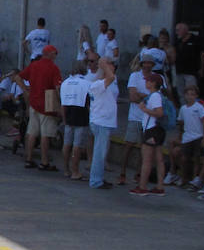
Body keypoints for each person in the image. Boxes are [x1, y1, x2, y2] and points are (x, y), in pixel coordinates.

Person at [119, 50, 162, 186]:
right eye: (145, 63)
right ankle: (122, 173)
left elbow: (159, 98)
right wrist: (148, 97)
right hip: (135, 117)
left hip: (150, 121)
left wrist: (141, 96)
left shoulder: (158, 77)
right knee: (129, 146)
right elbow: (132, 97)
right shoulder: (135, 76)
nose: (147, 65)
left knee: (145, 149)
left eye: (150, 63)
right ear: (142, 64)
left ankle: (138, 175)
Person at [18, 44, 63, 170]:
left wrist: (25, 90)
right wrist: (60, 103)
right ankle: (44, 161)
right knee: (46, 134)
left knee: (32, 132)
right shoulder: (54, 68)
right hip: (48, 101)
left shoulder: (34, 65)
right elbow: (57, 87)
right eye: (55, 54)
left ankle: (29, 158)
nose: (56, 56)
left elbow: (17, 77)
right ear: (50, 54)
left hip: (34, 101)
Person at [87, 56, 119, 189]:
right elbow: (110, 77)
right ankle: (95, 180)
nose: (113, 67)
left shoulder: (108, 83)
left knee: (101, 152)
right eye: (111, 64)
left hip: (105, 121)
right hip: (101, 122)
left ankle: (98, 177)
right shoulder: (97, 84)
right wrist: (104, 64)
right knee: (99, 153)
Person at [130, 82, 167, 196]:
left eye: (148, 81)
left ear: (152, 83)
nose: (145, 82)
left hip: (152, 130)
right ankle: (160, 187)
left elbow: (159, 113)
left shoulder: (155, 96)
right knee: (158, 158)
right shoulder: (158, 96)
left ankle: (142, 186)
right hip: (158, 130)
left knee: (147, 159)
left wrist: (144, 109)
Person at [169, 85, 204, 188]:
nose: (190, 97)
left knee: (196, 158)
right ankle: (184, 178)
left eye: (192, 94)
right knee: (184, 158)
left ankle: (195, 179)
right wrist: (181, 135)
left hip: (198, 137)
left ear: (196, 96)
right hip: (187, 137)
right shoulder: (183, 108)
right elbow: (181, 123)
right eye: (188, 94)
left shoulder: (199, 107)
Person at [59, 59, 91, 180]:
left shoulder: (65, 82)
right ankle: (75, 170)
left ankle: (66, 169)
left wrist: (64, 118)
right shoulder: (87, 83)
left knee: (67, 143)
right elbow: (89, 102)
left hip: (68, 114)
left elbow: (63, 104)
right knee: (77, 145)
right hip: (81, 114)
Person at [173, 22, 202, 95]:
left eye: (178, 30)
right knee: (181, 93)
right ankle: (183, 106)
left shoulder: (195, 39)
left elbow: (202, 55)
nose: (177, 32)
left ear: (185, 30)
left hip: (191, 72)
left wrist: (202, 68)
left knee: (191, 92)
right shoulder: (177, 41)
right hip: (179, 71)